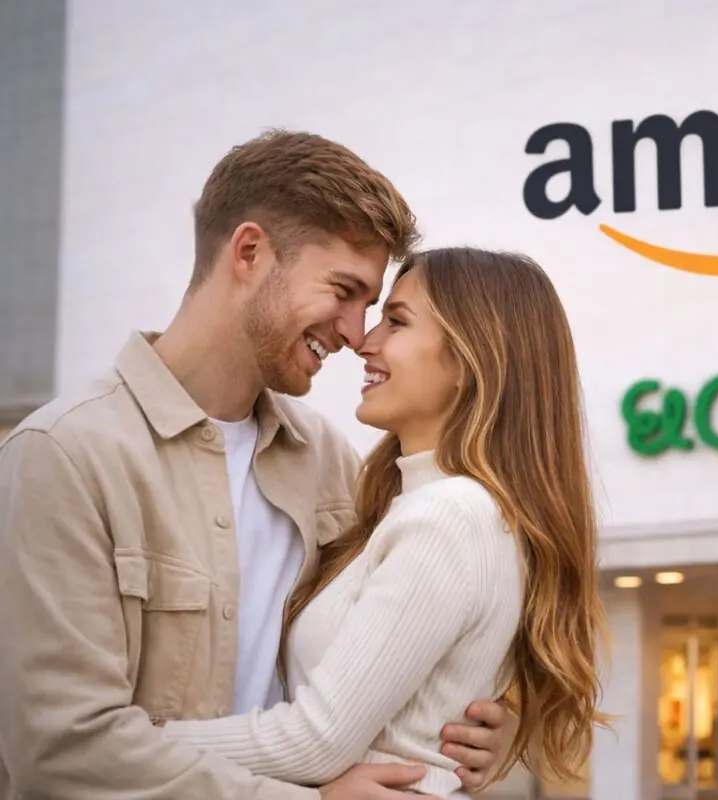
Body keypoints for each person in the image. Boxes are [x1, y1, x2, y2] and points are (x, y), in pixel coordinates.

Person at [0, 131, 514, 799]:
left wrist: (468, 724)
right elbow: (60, 750)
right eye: (344, 290)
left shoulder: (331, 464)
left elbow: (369, 671)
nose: (357, 333)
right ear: (248, 253)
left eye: (375, 306)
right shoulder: (64, 456)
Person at [158, 246, 609, 797]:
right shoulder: (414, 505)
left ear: (472, 360)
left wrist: (134, 740)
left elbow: (315, 740)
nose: (364, 342)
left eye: (395, 321)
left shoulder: (449, 515)